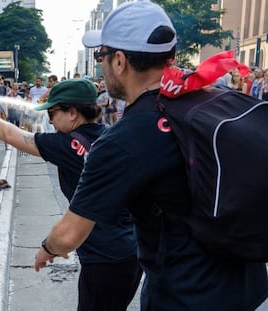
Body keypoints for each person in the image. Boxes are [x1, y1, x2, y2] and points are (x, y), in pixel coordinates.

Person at [34, 1, 268, 310]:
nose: (101, 65)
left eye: (101, 55)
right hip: (245, 286)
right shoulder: (212, 98)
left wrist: (47, 248)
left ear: (119, 61)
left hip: (184, 296)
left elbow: (69, 235)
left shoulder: (125, 138)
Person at [0, 78, 141, 311]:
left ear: (73, 113)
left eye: (53, 113)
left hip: (104, 257)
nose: (50, 120)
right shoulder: (109, 137)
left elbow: (13, 135)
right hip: (130, 250)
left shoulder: (67, 144)